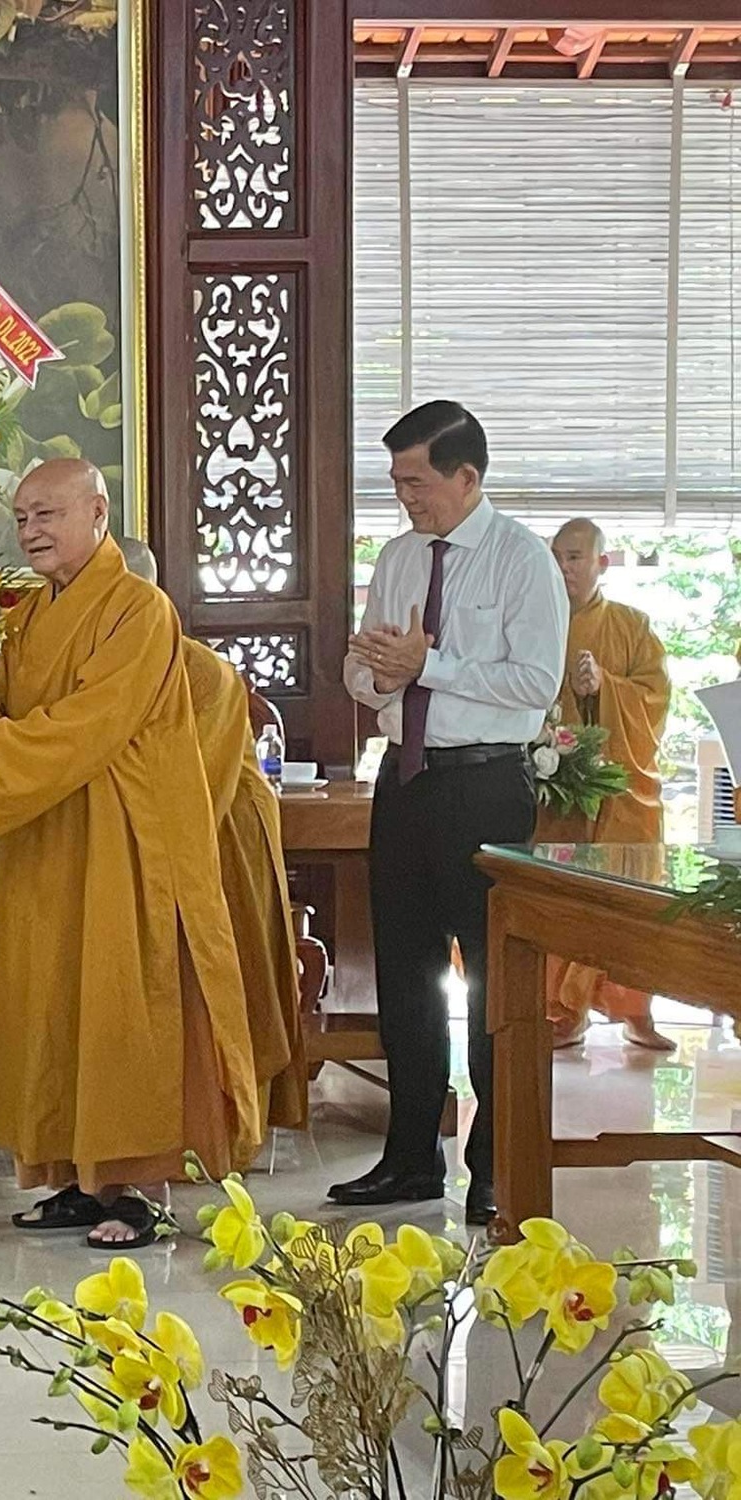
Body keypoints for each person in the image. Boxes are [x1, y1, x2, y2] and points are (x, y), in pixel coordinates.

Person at [0, 460, 261, 1251]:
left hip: (120, 837)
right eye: (22, 519)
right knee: (51, 1002)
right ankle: (77, 1181)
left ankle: (138, 1191)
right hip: (44, 830)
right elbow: (14, 717)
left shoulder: (138, 609)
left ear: (98, 511)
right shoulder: (27, 615)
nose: (31, 533)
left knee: (124, 1004)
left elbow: (87, 726)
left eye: (48, 515)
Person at [336, 401, 567, 1227]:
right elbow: (362, 673)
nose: (406, 497)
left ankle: (496, 1166)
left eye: (419, 481)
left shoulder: (521, 561)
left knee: (488, 980)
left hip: (483, 788)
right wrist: (384, 677)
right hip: (404, 784)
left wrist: (429, 663)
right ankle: (408, 1158)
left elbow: (535, 683)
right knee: (405, 977)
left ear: (469, 478)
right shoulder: (398, 558)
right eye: (397, 482)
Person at [119, 538, 309, 1133]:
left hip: (220, 840)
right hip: (141, 843)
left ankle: (222, 1118)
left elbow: (190, 779)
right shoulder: (96, 666)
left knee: (223, 987)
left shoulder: (201, 671)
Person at [540, 518, 673, 1052]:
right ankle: (561, 1010)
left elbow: (657, 698)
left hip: (622, 793)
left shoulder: (631, 625)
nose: (564, 567)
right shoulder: (535, 622)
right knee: (560, 895)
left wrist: (606, 689)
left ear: (603, 563)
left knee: (630, 896)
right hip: (557, 788)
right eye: (557, 556)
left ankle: (634, 1009)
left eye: (575, 557)